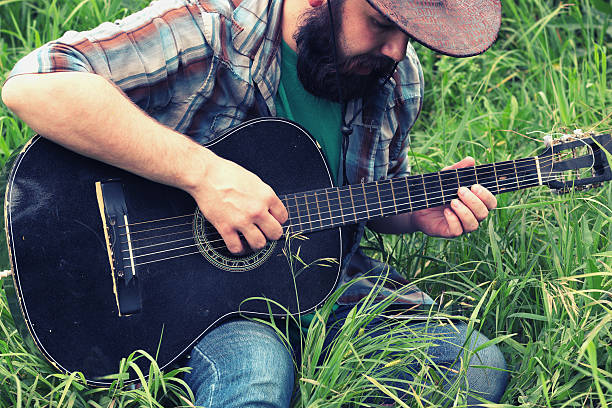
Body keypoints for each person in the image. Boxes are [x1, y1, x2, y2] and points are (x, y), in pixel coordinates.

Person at [2, 0, 508, 405]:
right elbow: (37, 84)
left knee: (476, 366)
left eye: (411, 35)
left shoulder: (394, 77)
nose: (397, 51)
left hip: (331, 288)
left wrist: (411, 211)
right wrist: (204, 175)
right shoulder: (210, 29)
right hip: (201, 300)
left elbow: (359, 194)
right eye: (380, 24)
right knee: (258, 378)